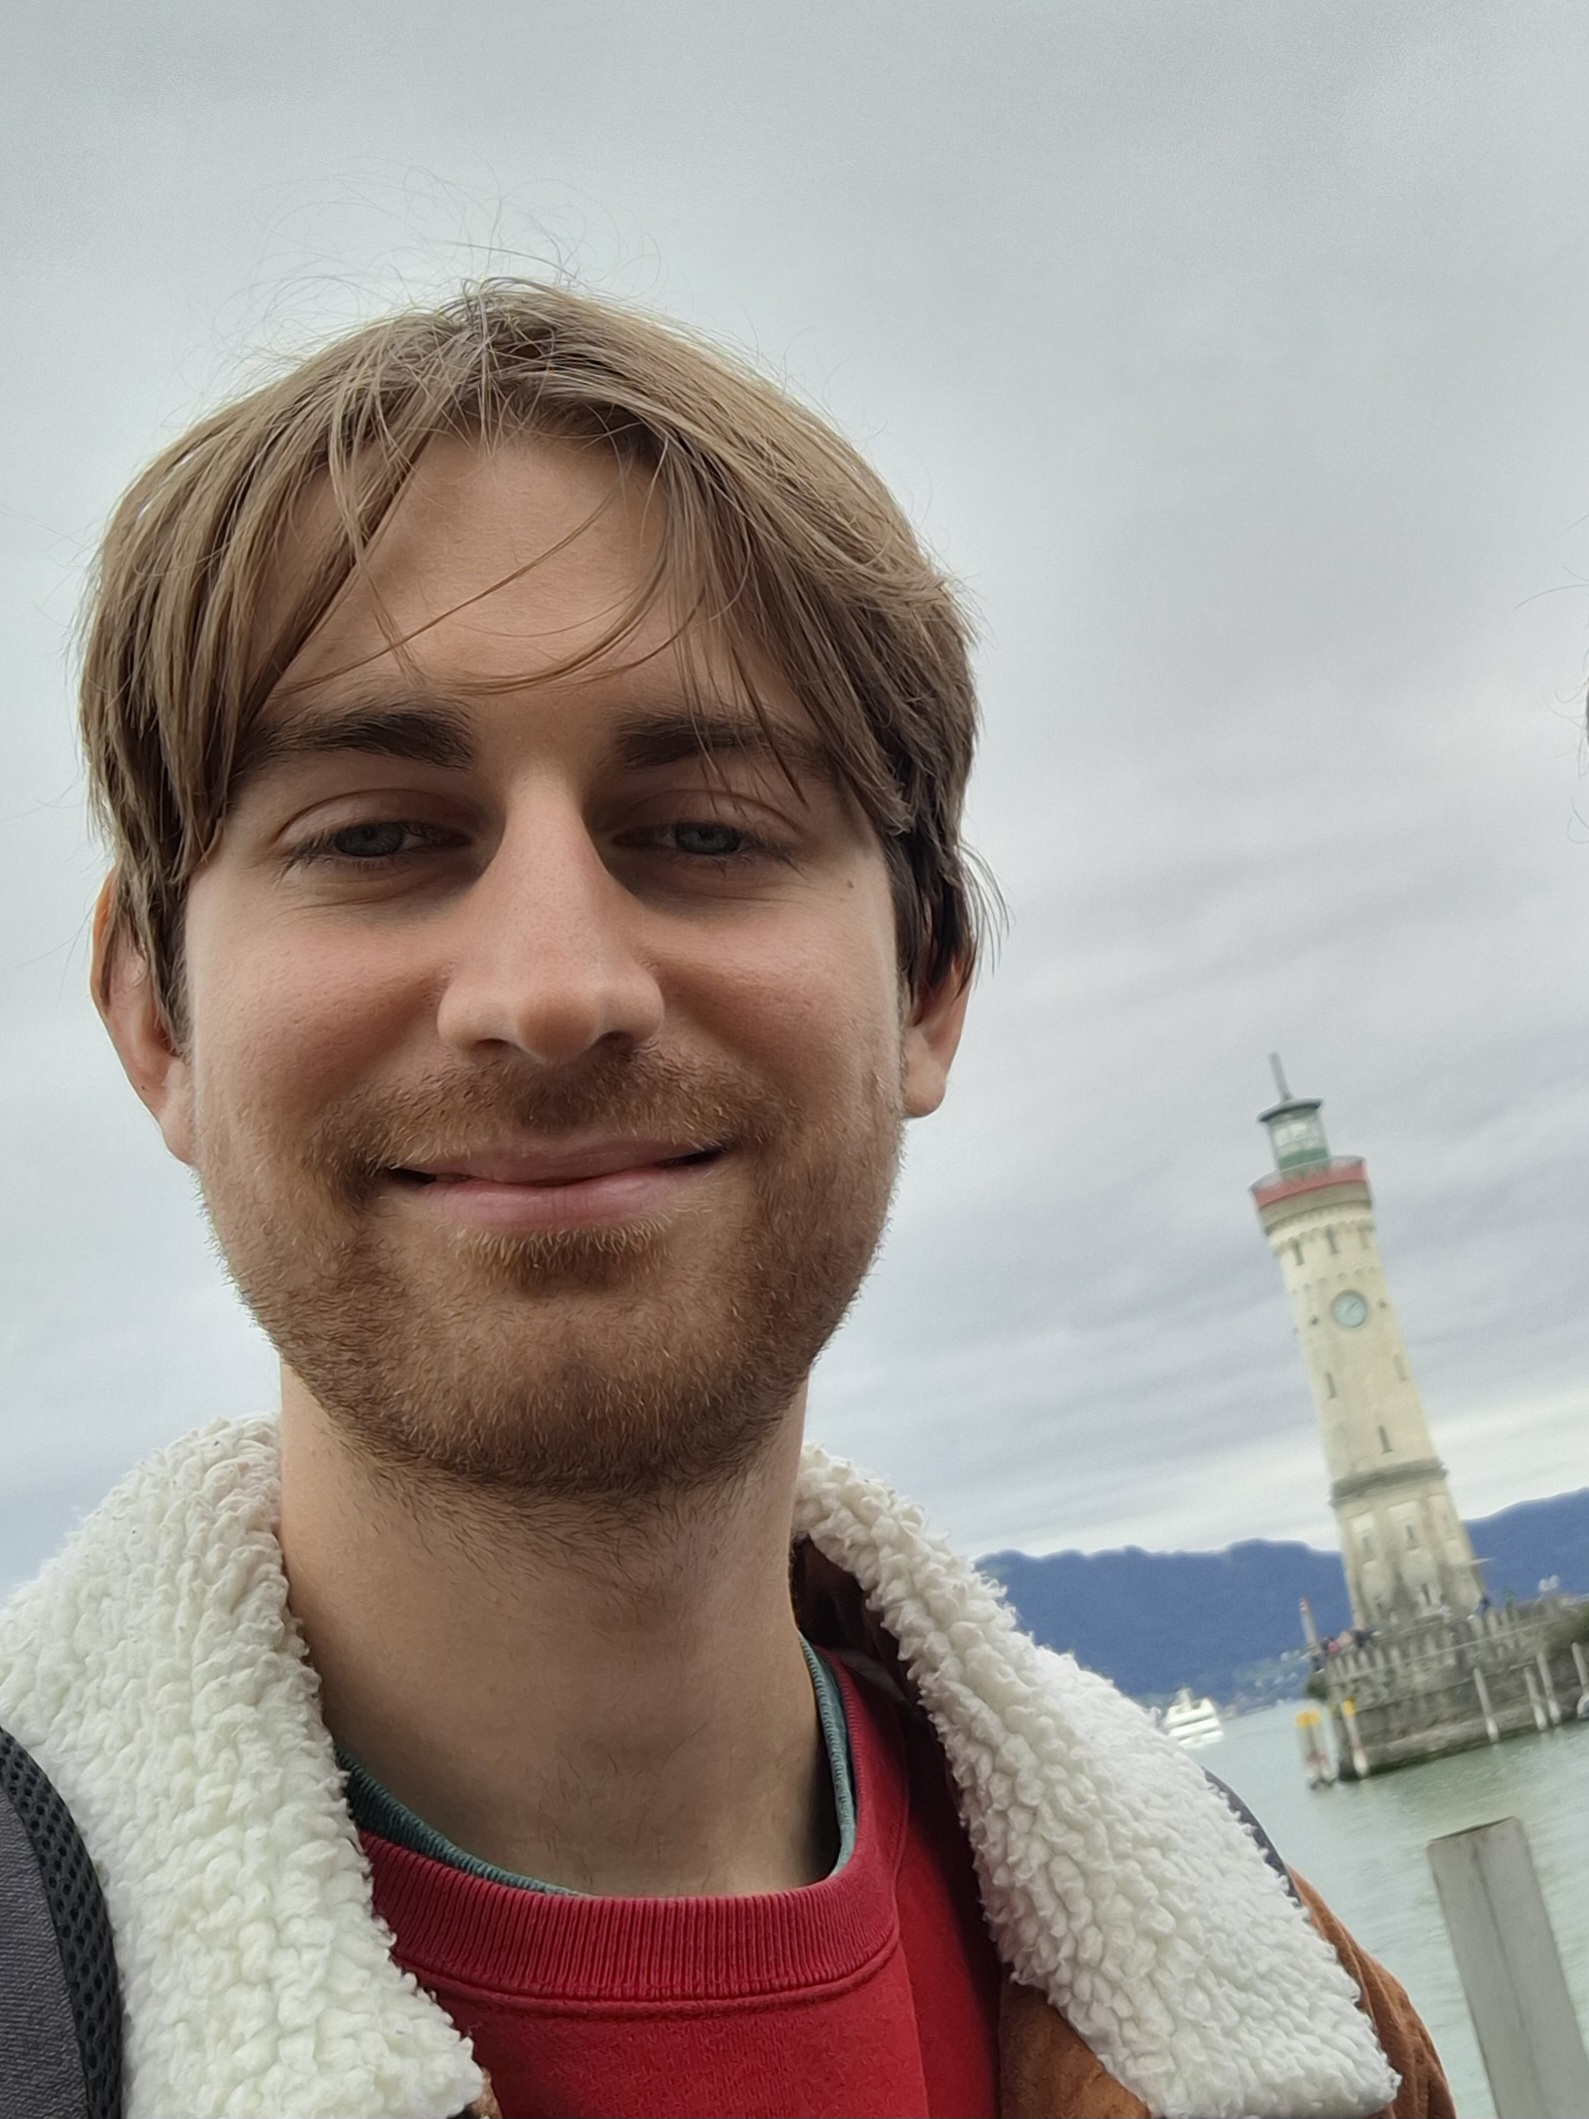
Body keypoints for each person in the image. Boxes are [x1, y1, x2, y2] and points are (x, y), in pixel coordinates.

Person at [0, 282, 1451, 2119]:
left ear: (926, 983)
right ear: (154, 1015)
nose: (550, 989)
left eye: (705, 832)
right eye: (373, 836)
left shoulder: (1299, 2010)